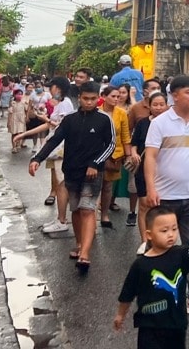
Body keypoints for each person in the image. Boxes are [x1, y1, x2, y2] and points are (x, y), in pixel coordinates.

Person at [143, 74, 189, 318]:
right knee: (162, 246)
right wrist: (151, 189)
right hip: (165, 197)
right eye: (188, 92)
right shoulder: (160, 123)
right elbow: (151, 157)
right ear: (174, 95)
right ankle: (157, 294)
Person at [29, 82, 114, 273]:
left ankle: (85, 253)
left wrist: (95, 164)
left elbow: (110, 146)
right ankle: (79, 244)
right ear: (80, 98)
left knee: (87, 210)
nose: (89, 102)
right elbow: (55, 139)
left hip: (93, 174)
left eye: (93, 99)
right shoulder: (69, 120)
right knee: (75, 211)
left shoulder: (104, 120)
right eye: (85, 99)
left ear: (98, 99)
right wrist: (37, 158)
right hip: (71, 172)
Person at [113, 206, 189, 349]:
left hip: (176, 324)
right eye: (164, 231)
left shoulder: (181, 253)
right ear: (149, 234)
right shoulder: (140, 265)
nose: (170, 234)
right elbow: (127, 292)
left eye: (174, 229)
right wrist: (120, 315)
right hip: (149, 327)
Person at [15, 77, 76, 232]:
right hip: (57, 147)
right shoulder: (61, 104)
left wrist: (44, 118)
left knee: (62, 184)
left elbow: (61, 127)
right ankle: (60, 218)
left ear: (58, 88)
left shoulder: (65, 104)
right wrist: (24, 134)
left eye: (52, 88)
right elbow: (49, 125)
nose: (50, 91)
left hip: (62, 148)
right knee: (59, 182)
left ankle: (62, 220)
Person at [127, 91, 168, 241]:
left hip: (164, 171)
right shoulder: (143, 123)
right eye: (155, 105)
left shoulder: (170, 125)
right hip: (143, 168)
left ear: (167, 106)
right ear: (149, 106)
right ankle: (145, 241)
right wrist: (134, 153)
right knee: (144, 204)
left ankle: (160, 240)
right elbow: (134, 143)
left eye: (161, 104)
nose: (158, 108)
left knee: (161, 206)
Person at [99, 85, 131, 228]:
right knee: (92, 187)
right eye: (113, 96)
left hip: (114, 155)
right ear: (104, 96)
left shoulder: (121, 113)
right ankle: (90, 214)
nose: (116, 99)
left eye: (118, 96)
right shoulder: (96, 111)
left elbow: (125, 136)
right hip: (96, 154)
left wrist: (128, 155)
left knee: (107, 187)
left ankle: (104, 214)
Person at [7, 89, 28, 153]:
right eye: (18, 94)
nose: (19, 96)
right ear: (14, 95)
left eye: (21, 94)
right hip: (13, 118)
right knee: (14, 133)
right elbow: (10, 111)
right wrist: (8, 121)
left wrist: (26, 118)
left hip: (21, 119)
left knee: (20, 132)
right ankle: (14, 147)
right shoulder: (12, 102)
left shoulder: (24, 102)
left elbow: (26, 110)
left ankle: (18, 144)